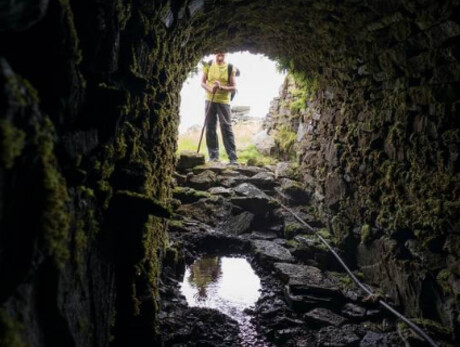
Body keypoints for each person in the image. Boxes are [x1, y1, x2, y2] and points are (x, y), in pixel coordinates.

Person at [200, 52, 238, 165]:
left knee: (226, 127)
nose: (220, 55)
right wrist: (211, 89)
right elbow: (202, 82)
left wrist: (221, 87)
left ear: (226, 54)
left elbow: (234, 87)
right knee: (210, 127)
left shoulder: (230, 67)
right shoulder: (208, 64)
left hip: (223, 102)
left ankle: (232, 158)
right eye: (218, 53)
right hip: (209, 99)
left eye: (222, 53)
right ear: (215, 53)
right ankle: (213, 156)